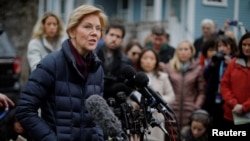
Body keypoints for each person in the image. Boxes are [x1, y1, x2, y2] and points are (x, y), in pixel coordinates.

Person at [16, 4, 108, 141]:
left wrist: (98, 137)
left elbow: (98, 114)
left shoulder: (97, 69)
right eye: (87, 27)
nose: (94, 32)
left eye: (98, 28)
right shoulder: (51, 64)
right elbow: (25, 109)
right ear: (72, 31)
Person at [163, 40, 206, 130]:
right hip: (171, 110)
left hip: (190, 111)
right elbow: (163, 89)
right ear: (177, 52)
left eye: (186, 49)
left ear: (191, 51)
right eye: (180, 49)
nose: (183, 52)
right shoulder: (168, 67)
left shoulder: (197, 68)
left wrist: (196, 107)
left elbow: (201, 91)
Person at [137, 48, 175, 141]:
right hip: (139, 118)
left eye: (152, 58)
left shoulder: (163, 77)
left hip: (156, 119)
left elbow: (171, 96)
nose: (148, 61)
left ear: (156, 61)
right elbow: (129, 97)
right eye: (145, 58)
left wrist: (157, 101)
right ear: (140, 60)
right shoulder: (135, 77)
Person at [202, 35, 238, 130]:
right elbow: (204, 75)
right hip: (214, 98)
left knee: (226, 127)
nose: (221, 48)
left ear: (231, 47)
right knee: (214, 126)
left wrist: (231, 64)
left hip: (228, 99)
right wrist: (211, 64)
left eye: (224, 45)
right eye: (219, 46)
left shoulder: (236, 60)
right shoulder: (216, 59)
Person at [220, 32, 250, 133]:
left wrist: (244, 107)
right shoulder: (234, 62)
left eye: (249, 45)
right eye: (244, 45)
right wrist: (234, 103)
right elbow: (224, 85)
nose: (246, 48)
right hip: (231, 114)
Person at [96, 22, 132, 100]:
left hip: (116, 103)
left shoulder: (126, 61)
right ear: (105, 36)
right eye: (111, 35)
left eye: (118, 36)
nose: (114, 39)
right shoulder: (93, 56)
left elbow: (129, 87)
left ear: (122, 40)